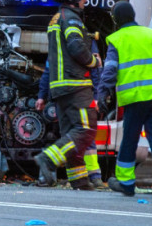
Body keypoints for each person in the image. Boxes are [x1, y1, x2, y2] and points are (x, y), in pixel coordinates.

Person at [97, 1, 152, 199]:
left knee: (129, 139)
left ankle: (126, 183)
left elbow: (110, 70)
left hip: (135, 97)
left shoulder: (117, 39)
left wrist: (103, 94)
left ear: (116, 19)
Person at [33, 0, 101, 191]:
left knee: (71, 132)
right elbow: (76, 46)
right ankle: (48, 159)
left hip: (60, 87)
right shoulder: (71, 19)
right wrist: (93, 61)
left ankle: (79, 179)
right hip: (76, 86)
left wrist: (43, 93)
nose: (85, 1)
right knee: (86, 129)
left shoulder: (56, 18)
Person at [36, 42, 104, 188]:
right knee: (81, 133)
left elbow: (96, 72)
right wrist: (41, 95)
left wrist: (97, 96)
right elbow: (48, 72)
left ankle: (86, 178)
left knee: (78, 133)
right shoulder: (77, 41)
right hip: (75, 94)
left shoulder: (64, 43)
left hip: (68, 95)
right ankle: (82, 178)